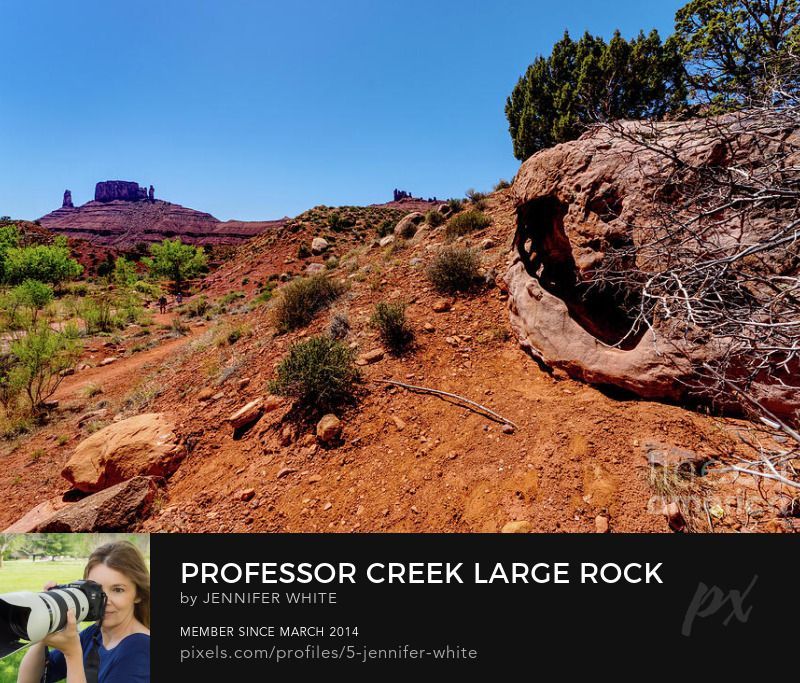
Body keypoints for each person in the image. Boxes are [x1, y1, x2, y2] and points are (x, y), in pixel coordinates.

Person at [17, 541, 150, 683]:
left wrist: (72, 654)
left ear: (138, 594)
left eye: (118, 590)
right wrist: (47, 623)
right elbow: (29, 680)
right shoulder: (94, 635)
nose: (104, 601)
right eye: (96, 590)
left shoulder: (141, 649)